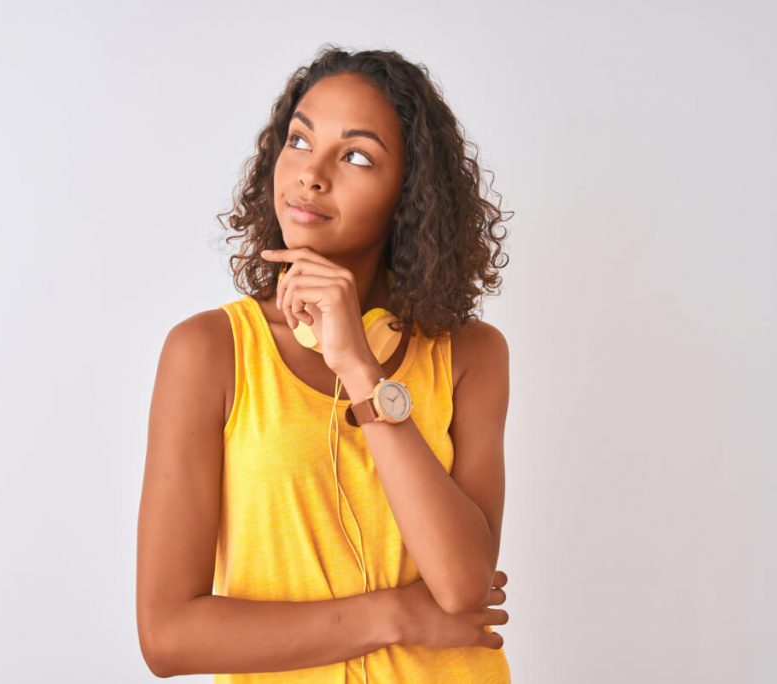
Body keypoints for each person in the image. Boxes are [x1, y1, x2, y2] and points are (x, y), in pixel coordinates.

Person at [137, 45, 514, 682]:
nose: (312, 174)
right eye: (300, 140)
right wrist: (394, 615)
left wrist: (358, 366)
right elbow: (168, 636)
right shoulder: (209, 353)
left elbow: (463, 587)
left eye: (357, 155)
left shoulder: (471, 354)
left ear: (409, 193)